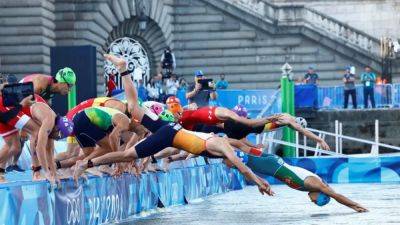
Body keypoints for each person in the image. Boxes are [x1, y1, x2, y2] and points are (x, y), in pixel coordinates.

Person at [73, 54, 273, 197]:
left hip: (171, 130)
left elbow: (242, 147)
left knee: (133, 107)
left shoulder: (223, 142)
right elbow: (243, 168)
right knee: (128, 154)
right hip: (171, 135)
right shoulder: (223, 146)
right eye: (231, 163)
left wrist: (256, 147)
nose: (231, 165)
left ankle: (123, 68)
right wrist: (259, 182)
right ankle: (86, 164)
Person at [246, 154, 368, 212]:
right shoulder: (315, 184)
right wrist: (355, 205)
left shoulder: (313, 186)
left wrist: (353, 207)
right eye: (315, 201)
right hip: (272, 166)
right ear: (320, 195)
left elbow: (334, 196)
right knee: (233, 156)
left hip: (273, 163)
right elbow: (336, 196)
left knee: (238, 152)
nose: (311, 201)